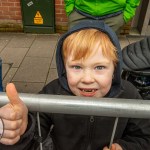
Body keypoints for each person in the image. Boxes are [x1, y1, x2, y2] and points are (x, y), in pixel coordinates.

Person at [0, 20, 150, 150]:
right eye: (77, 67)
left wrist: (126, 146)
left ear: (114, 69)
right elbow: (34, 136)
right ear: (64, 67)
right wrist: (22, 129)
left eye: (99, 67)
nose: (87, 78)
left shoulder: (129, 94)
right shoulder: (53, 92)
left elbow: (144, 137)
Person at [64, 0, 141, 34]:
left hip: (114, 17)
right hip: (80, 13)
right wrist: (70, 8)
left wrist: (127, 14)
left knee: (105, 52)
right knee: (75, 51)